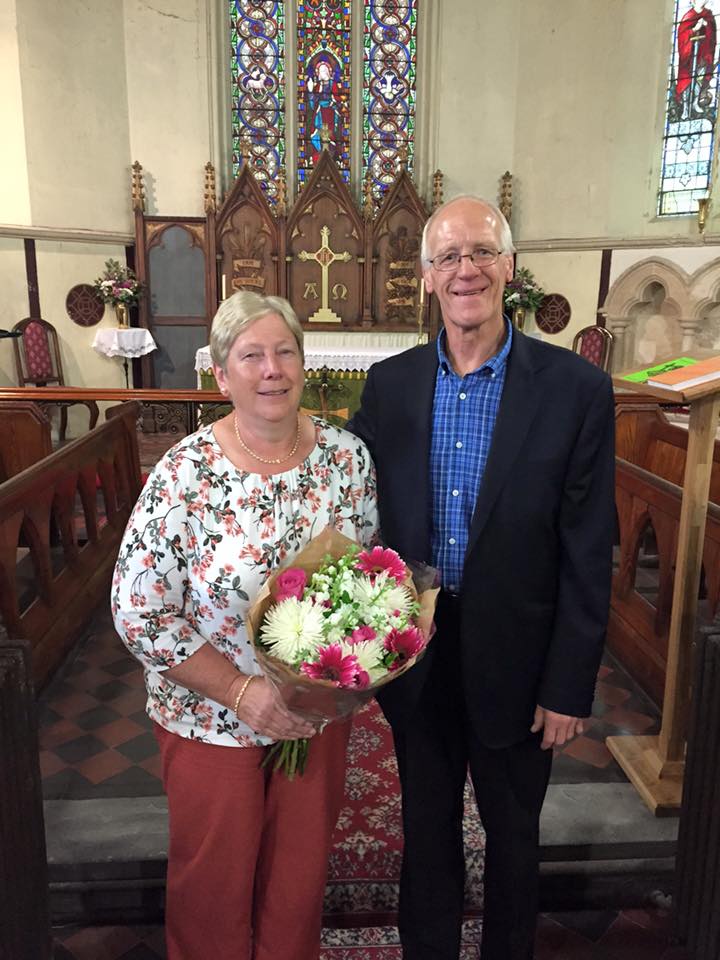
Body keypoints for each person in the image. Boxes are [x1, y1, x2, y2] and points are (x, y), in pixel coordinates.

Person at [348, 196, 615, 960]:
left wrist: (569, 684)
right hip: (419, 654)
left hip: (522, 658)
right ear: (427, 277)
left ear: (509, 268)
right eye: (448, 257)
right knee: (425, 834)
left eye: (481, 253)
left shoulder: (575, 390)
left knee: (513, 840)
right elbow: (360, 514)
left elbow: (589, 546)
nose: (465, 269)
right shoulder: (389, 384)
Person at [112, 290, 377, 960]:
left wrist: (320, 684)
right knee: (213, 890)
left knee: (297, 882)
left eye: (285, 351)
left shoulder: (347, 460)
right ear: (222, 375)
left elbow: (365, 587)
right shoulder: (185, 473)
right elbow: (138, 609)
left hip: (312, 714)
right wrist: (240, 691)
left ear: (303, 362)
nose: (272, 369)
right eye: (252, 355)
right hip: (209, 718)